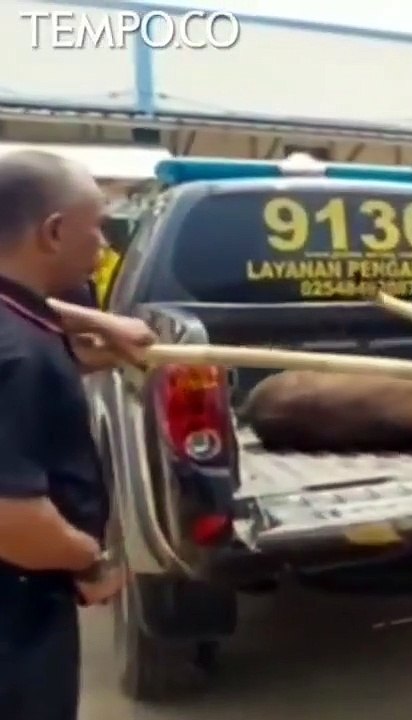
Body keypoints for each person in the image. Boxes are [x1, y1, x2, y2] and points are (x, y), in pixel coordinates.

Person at [0, 149, 157, 719]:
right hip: (16, 610)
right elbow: (12, 522)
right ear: (55, 232)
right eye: (97, 228)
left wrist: (99, 325)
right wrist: (90, 561)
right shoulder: (18, 356)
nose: (105, 247)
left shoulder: (19, 324)